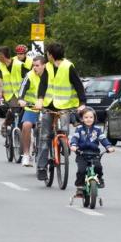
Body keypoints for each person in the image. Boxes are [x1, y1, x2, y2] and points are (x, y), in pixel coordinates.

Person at [34, 42, 86, 181]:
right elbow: (43, 84)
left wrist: (82, 103)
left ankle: (63, 144)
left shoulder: (68, 66)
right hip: (49, 105)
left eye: (47, 53)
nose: (46, 55)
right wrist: (40, 100)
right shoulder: (48, 67)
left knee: (64, 131)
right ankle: (41, 168)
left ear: (51, 55)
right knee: (45, 136)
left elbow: (78, 85)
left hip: (64, 105)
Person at [70, 107, 114, 195]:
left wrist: (108, 147)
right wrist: (73, 145)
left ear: (94, 118)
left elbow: (103, 139)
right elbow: (75, 138)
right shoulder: (79, 129)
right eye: (86, 117)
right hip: (81, 153)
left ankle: (99, 179)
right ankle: (79, 186)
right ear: (82, 118)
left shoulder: (97, 129)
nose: (88, 119)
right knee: (81, 171)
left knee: (98, 167)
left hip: (94, 154)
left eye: (91, 117)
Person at [0, 46, 31, 136]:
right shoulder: (1, 65)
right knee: (14, 109)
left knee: (18, 110)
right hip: (9, 94)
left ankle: (9, 125)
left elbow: (29, 77)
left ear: (2, 56)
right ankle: (10, 126)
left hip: (21, 93)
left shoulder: (19, 64)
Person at [18, 56, 46, 167]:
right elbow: (22, 88)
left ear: (44, 65)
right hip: (32, 107)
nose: (35, 68)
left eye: (37, 65)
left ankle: (59, 147)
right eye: (33, 65)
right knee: (26, 125)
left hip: (46, 107)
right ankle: (26, 154)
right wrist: (20, 99)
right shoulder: (29, 75)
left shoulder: (50, 75)